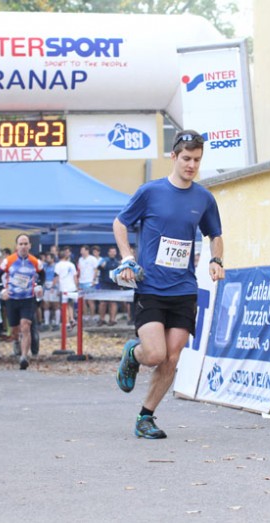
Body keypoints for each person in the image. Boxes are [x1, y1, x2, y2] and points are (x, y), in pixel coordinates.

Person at [113, 130, 225, 439]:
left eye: (197, 160)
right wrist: (127, 257)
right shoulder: (150, 192)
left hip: (184, 289)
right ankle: (133, 354)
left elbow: (215, 234)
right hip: (150, 287)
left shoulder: (203, 198)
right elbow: (120, 223)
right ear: (173, 157)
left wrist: (217, 260)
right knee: (155, 354)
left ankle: (145, 417)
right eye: (186, 158)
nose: (191, 165)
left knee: (172, 357)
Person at [0, 233, 44, 370]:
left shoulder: (35, 261)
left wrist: (39, 286)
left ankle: (24, 357)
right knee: (15, 328)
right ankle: (17, 340)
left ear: (30, 246)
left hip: (28, 298)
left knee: (26, 326)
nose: (23, 246)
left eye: (25, 244)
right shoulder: (9, 260)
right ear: (16, 246)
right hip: (12, 298)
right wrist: (2, 290)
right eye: (21, 244)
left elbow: (42, 274)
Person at [53, 248, 79, 330]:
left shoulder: (58, 265)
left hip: (63, 288)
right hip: (72, 287)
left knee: (64, 305)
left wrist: (52, 286)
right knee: (70, 304)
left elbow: (56, 277)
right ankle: (72, 319)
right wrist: (77, 286)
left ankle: (67, 322)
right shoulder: (71, 264)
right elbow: (75, 277)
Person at [96, 246, 121, 326]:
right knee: (103, 302)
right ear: (108, 253)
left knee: (113, 302)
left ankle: (112, 319)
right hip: (105, 284)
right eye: (111, 252)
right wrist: (102, 265)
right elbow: (99, 267)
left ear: (116, 253)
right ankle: (102, 319)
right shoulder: (104, 260)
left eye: (114, 252)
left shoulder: (117, 262)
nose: (113, 253)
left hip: (114, 285)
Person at [77, 245, 98, 321]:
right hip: (81, 282)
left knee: (90, 301)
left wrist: (94, 280)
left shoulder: (92, 259)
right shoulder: (80, 259)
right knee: (82, 301)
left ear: (87, 251)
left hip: (89, 282)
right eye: (80, 250)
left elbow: (96, 270)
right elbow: (79, 271)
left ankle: (92, 316)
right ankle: (85, 316)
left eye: (82, 250)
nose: (81, 252)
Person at [41, 252, 59, 330]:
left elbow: (57, 277)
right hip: (46, 287)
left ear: (52, 259)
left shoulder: (56, 266)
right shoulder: (44, 266)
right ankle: (46, 323)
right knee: (46, 305)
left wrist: (53, 286)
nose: (47, 259)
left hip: (54, 287)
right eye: (46, 258)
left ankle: (57, 323)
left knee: (55, 305)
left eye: (48, 258)